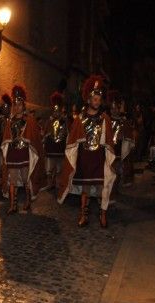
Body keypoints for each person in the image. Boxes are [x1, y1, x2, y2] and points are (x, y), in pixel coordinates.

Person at [58, 75, 116, 228]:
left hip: (99, 158)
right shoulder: (80, 119)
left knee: (101, 187)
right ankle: (84, 215)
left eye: (99, 99)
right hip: (84, 158)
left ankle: (103, 214)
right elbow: (73, 138)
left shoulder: (105, 118)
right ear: (89, 100)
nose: (97, 101)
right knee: (85, 189)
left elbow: (108, 140)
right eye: (94, 99)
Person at [1, 86, 45, 214]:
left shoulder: (29, 120)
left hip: (25, 154)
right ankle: (13, 205)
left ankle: (27, 200)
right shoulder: (10, 121)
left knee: (26, 179)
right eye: (15, 104)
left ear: (23, 105)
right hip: (13, 155)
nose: (17, 107)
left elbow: (34, 137)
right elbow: (6, 138)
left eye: (19, 104)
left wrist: (26, 139)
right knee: (12, 180)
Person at [107, 91, 135, 191]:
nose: (115, 110)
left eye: (117, 108)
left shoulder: (124, 122)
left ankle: (116, 189)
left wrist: (124, 137)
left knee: (118, 171)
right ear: (110, 109)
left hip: (119, 150)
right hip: (109, 150)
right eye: (113, 108)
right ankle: (110, 190)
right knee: (110, 171)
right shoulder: (106, 120)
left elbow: (129, 137)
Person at [43, 91, 68, 190]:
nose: (56, 112)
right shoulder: (49, 120)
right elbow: (45, 133)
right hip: (50, 148)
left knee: (59, 169)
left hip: (60, 148)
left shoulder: (64, 121)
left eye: (58, 111)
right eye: (54, 110)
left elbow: (67, 133)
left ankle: (58, 184)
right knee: (49, 168)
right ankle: (50, 184)